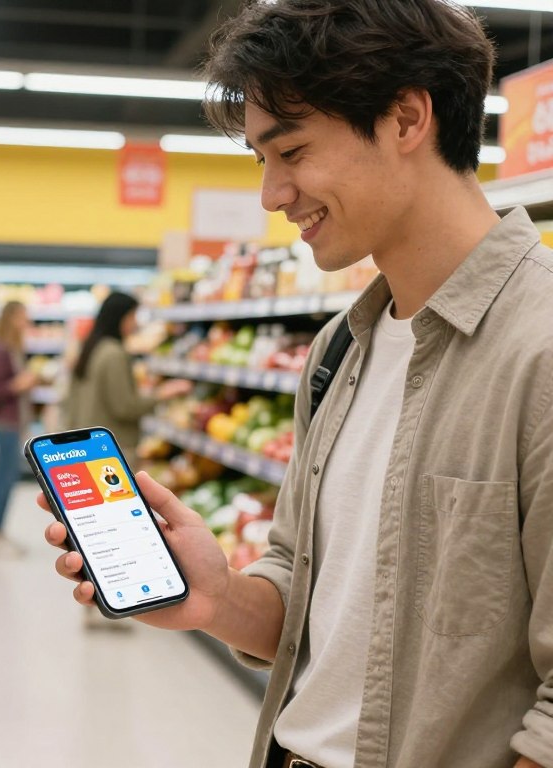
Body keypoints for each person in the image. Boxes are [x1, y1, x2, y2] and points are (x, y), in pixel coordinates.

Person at [41, 3, 553, 767]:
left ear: (406, 118)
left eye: (294, 151)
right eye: (261, 160)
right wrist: (218, 597)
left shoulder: (538, 349)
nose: (272, 194)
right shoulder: (337, 350)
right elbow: (314, 599)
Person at [66, 292, 191, 467]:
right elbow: (125, 407)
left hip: (89, 443)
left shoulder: (92, 347)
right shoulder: (114, 354)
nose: (136, 323)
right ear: (120, 318)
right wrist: (162, 394)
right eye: (133, 316)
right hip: (113, 446)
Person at [0, 301, 36, 557]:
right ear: (12, 318)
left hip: (14, 423)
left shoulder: (14, 347)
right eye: (23, 316)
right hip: (5, 424)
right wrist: (20, 384)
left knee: (7, 477)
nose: (27, 321)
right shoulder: (1, 349)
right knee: (3, 478)